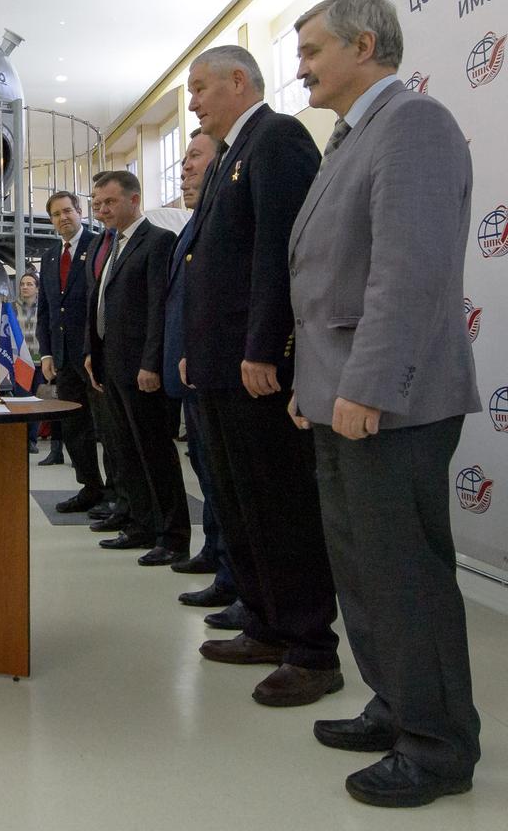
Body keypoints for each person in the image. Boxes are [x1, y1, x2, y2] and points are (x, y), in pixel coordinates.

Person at [288, 0, 480, 808]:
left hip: (390, 404)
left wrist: (366, 385)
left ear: (364, 45)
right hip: (337, 396)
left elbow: (408, 274)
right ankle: (396, 705)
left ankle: (438, 749)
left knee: (406, 580)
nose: (301, 66)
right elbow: (329, 278)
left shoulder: (413, 125)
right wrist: (313, 385)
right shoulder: (349, 139)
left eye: (312, 50)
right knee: (361, 571)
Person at [182, 44, 341, 708]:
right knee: (239, 502)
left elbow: (283, 253)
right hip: (220, 367)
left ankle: (310, 649)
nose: (193, 103)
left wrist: (266, 348)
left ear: (239, 82)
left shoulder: (277, 139)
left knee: (280, 507)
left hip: (257, 369)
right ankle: (266, 623)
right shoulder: (230, 156)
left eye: (200, 89)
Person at [84, 171, 189, 565]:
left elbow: (159, 307)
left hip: (141, 368)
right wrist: (93, 351)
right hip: (111, 364)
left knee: (154, 452)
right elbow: (103, 302)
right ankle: (141, 525)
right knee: (125, 449)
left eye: (109, 202)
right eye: (97, 204)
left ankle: (173, 536)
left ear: (134, 199)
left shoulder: (157, 241)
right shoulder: (112, 245)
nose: (102, 210)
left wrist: (151, 362)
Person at [165, 130, 241, 613]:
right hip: (194, 368)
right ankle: (215, 552)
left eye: (195, 157)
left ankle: (234, 575)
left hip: (218, 367)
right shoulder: (192, 228)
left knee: (224, 477)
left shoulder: (219, 223)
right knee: (206, 469)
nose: (185, 170)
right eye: (184, 160)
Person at [35, 191, 106, 514]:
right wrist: (46, 353)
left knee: (106, 427)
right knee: (75, 427)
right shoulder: (50, 256)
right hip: (63, 358)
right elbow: (46, 309)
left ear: (80, 211)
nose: (62, 218)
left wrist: (95, 347)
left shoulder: (99, 245)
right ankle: (90, 487)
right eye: (56, 214)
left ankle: (117, 493)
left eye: (67, 211)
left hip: (94, 355)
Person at [12, 272, 46, 450]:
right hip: (21, 362)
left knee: (37, 401)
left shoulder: (44, 307)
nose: (25, 287)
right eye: (22, 284)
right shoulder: (12, 307)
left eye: (30, 284)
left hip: (41, 361)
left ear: (37, 288)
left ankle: (32, 439)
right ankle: (22, 439)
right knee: (23, 401)